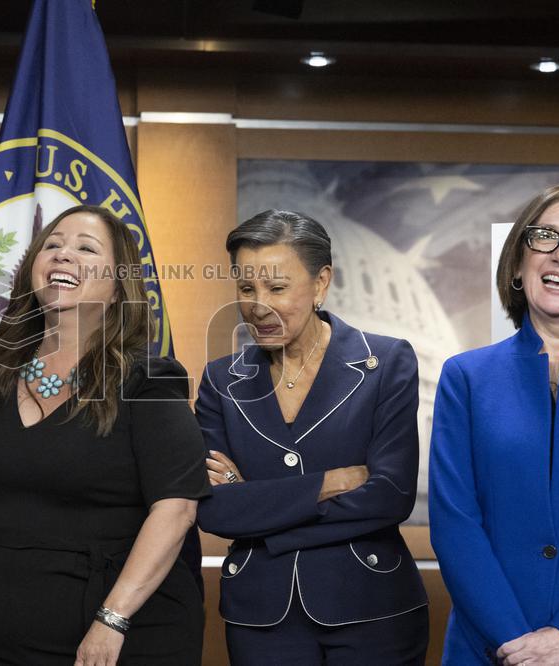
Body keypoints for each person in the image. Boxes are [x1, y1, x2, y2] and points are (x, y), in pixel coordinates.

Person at [0, 204, 210, 665]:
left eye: (85, 249)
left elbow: (175, 508)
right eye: (52, 246)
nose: (63, 255)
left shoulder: (148, 379)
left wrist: (113, 619)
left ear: (116, 288)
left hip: (108, 641)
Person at [196, 210, 429, 664]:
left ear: (321, 282)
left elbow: (391, 495)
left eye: (277, 288)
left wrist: (262, 514)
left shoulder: (386, 362)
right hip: (262, 619)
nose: (258, 306)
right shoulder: (222, 380)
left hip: (372, 609)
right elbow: (215, 508)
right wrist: (327, 483)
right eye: (245, 288)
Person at [430, 184, 559, 666]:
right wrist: (515, 643)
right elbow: (455, 524)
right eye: (546, 237)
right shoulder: (466, 377)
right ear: (517, 263)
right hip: (492, 648)